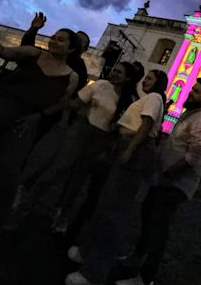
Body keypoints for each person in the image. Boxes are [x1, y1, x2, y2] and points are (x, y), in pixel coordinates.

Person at [0, 9, 79, 242]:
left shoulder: (71, 77)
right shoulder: (33, 53)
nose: (53, 40)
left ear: (71, 49)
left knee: (8, 174)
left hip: (24, 124)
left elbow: (62, 103)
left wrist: (39, 116)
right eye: (53, 36)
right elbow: (1, 50)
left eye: (61, 39)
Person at [65, 70, 169, 285]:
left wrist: (130, 150)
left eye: (149, 78)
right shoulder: (148, 99)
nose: (144, 81)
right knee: (106, 203)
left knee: (115, 212)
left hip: (134, 150)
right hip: (127, 147)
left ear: (159, 84)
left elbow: (146, 125)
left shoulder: (155, 98)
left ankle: (94, 270)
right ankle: (88, 251)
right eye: (145, 77)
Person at [10, 62, 139, 233]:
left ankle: (62, 215)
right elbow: (78, 103)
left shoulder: (129, 100)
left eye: (119, 72)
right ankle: (25, 205)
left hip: (101, 140)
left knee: (79, 179)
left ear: (128, 78)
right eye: (114, 70)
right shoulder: (101, 85)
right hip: (82, 131)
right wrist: (61, 101)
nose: (114, 73)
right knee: (59, 168)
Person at [114, 78, 201, 285]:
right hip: (164, 179)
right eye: (192, 90)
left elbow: (194, 156)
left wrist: (170, 173)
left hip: (175, 183)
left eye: (196, 92)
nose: (190, 93)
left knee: (158, 226)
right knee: (147, 212)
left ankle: (145, 277)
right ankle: (137, 257)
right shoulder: (194, 114)